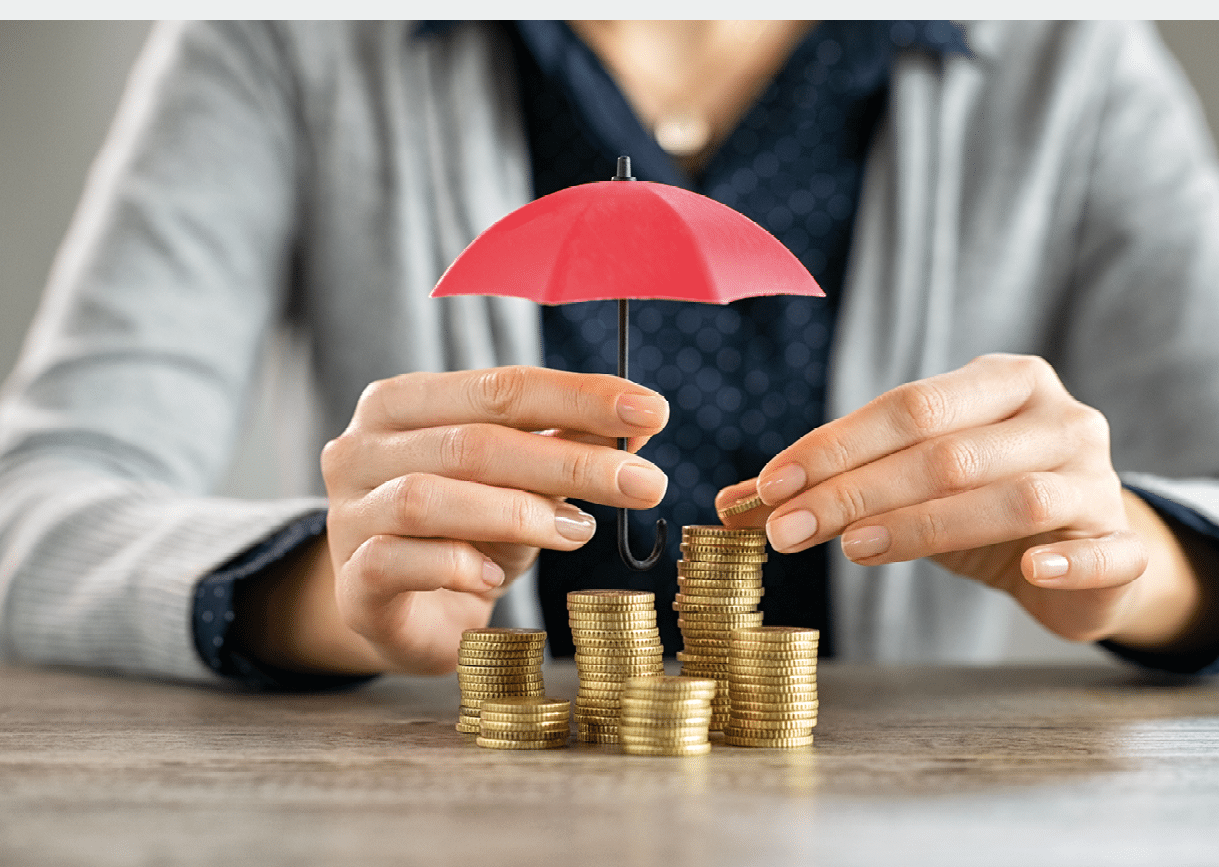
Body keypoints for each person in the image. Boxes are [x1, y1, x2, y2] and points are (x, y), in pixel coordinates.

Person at [1, 20, 1218, 687]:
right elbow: (37, 513)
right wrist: (317, 594)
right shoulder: (278, 41)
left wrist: (1139, 563)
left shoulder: (1074, 60)